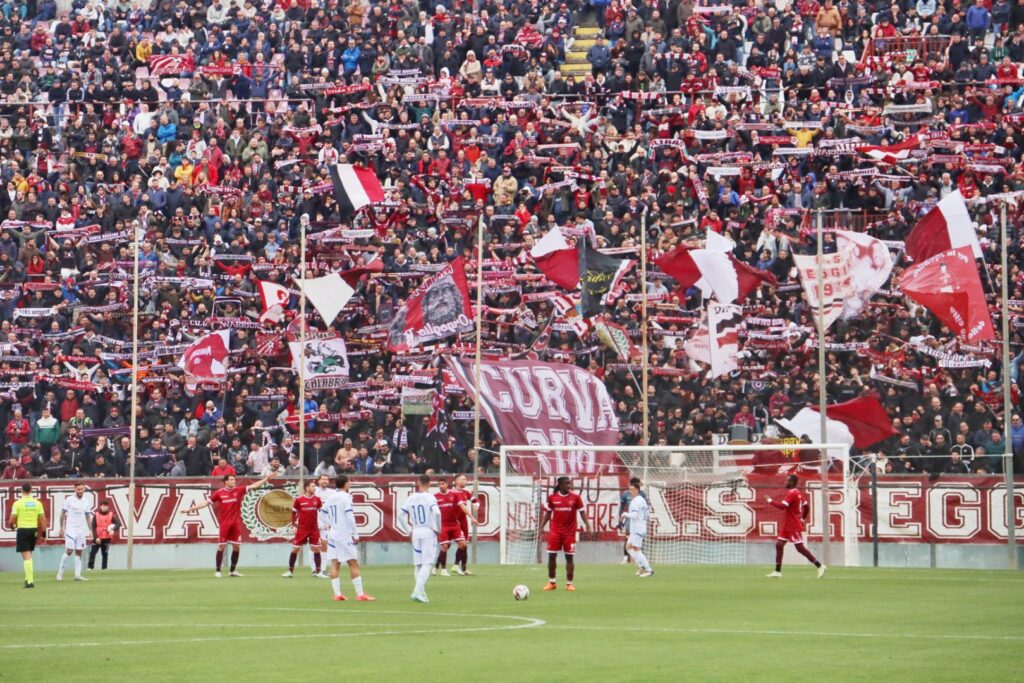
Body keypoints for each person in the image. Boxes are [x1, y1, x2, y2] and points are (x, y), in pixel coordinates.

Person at [183, 471, 277, 577]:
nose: (234, 481)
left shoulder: (239, 490)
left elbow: (254, 485)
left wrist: (266, 478)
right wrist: (191, 509)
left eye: (234, 479)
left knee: (237, 547)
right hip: (225, 524)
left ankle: (232, 571)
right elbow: (205, 503)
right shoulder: (219, 493)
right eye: (231, 480)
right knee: (221, 547)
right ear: (226, 482)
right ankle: (218, 571)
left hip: (235, 524)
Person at [321, 475, 374, 601]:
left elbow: (322, 515)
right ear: (345, 484)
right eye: (349, 482)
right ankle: (360, 594)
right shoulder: (346, 497)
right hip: (344, 535)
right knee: (353, 563)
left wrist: (332, 524)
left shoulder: (330, 497)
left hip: (333, 534)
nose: (349, 484)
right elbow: (350, 517)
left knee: (335, 563)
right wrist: (355, 534)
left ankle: (337, 594)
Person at [766, 474, 827, 579]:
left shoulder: (792, 493)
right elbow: (806, 507)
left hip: (793, 525)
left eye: (787, 480)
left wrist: (770, 501)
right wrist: (802, 518)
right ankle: (777, 572)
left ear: (792, 482)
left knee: (800, 548)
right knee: (779, 545)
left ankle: (820, 565)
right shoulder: (797, 493)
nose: (785, 482)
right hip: (787, 525)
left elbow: (783, 507)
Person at [540, 476, 591, 592]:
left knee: (569, 557)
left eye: (570, 483)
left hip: (569, 533)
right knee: (551, 557)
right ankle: (552, 583)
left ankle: (569, 584)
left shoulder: (576, 497)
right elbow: (548, 513)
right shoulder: (552, 497)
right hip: (555, 532)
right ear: (560, 485)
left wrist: (588, 525)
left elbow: (582, 512)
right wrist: (542, 527)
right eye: (566, 484)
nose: (569, 486)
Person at [401, 474, 441, 604]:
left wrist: (408, 530)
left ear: (418, 483)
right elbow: (437, 512)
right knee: (427, 563)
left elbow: (400, 515)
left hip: (416, 531)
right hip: (428, 531)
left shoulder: (411, 498)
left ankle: (422, 593)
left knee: (418, 564)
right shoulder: (430, 497)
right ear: (429, 484)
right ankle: (417, 592)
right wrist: (438, 528)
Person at [9, 483, 48, 588]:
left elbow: (11, 521)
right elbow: (43, 520)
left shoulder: (18, 503)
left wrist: (12, 527)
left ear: (21, 490)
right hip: (34, 531)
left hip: (23, 530)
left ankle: (30, 581)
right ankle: (27, 578)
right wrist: (44, 534)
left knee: (26, 557)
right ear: (31, 490)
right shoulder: (37, 503)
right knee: (29, 554)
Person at [283, 480, 323, 578]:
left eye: (314, 486)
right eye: (312, 486)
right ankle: (290, 571)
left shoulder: (317, 499)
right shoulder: (299, 500)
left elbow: (322, 513)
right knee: (295, 549)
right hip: (302, 529)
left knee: (316, 548)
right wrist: (293, 526)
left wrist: (325, 524)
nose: (314, 488)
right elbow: (293, 513)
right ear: (307, 488)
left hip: (314, 529)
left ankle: (318, 572)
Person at [57, 482, 94, 581]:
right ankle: (60, 572)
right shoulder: (69, 500)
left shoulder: (86, 501)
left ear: (84, 489)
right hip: (71, 529)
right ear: (75, 489)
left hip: (81, 530)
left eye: (81, 489)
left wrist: (90, 530)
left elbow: (88, 517)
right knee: (69, 550)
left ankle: (77, 575)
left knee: (79, 551)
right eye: (78, 489)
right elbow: (62, 514)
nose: (80, 491)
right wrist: (61, 528)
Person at [620, 480, 653, 577]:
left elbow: (634, 515)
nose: (630, 491)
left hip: (637, 528)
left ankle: (649, 570)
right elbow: (647, 514)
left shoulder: (635, 501)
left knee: (636, 548)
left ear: (637, 490)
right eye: (629, 489)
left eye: (632, 489)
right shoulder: (642, 499)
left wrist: (625, 514)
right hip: (638, 527)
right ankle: (641, 566)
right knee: (628, 547)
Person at [432, 478, 463, 577]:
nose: (441, 486)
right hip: (443, 525)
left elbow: (461, 506)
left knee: (463, 545)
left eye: (443, 483)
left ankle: (455, 566)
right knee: (445, 546)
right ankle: (443, 570)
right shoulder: (435, 497)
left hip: (454, 524)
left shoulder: (454, 494)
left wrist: (470, 515)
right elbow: (432, 512)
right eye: (439, 484)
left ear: (447, 484)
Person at [450, 473, 479, 575]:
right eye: (463, 479)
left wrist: (477, 504)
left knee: (464, 545)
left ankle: (463, 568)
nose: (465, 481)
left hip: (463, 521)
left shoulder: (466, 492)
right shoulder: (451, 493)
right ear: (456, 481)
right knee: (447, 545)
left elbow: (474, 499)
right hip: (453, 521)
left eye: (465, 479)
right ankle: (445, 566)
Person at [617, 476, 647, 565]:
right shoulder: (625, 494)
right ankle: (626, 558)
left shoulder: (642, 494)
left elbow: (645, 509)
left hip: (638, 520)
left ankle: (638, 560)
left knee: (637, 540)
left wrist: (644, 519)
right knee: (628, 538)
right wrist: (620, 519)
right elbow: (622, 507)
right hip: (629, 519)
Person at [88, 499, 118, 570]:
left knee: (105, 553)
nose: (105, 507)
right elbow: (93, 526)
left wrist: (113, 530)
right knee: (92, 552)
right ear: (101, 506)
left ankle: (104, 568)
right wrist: (96, 537)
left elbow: (118, 523)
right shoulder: (96, 515)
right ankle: (90, 567)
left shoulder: (111, 514)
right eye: (103, 506)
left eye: (106, 506)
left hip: (107, 538)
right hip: (97, 538)